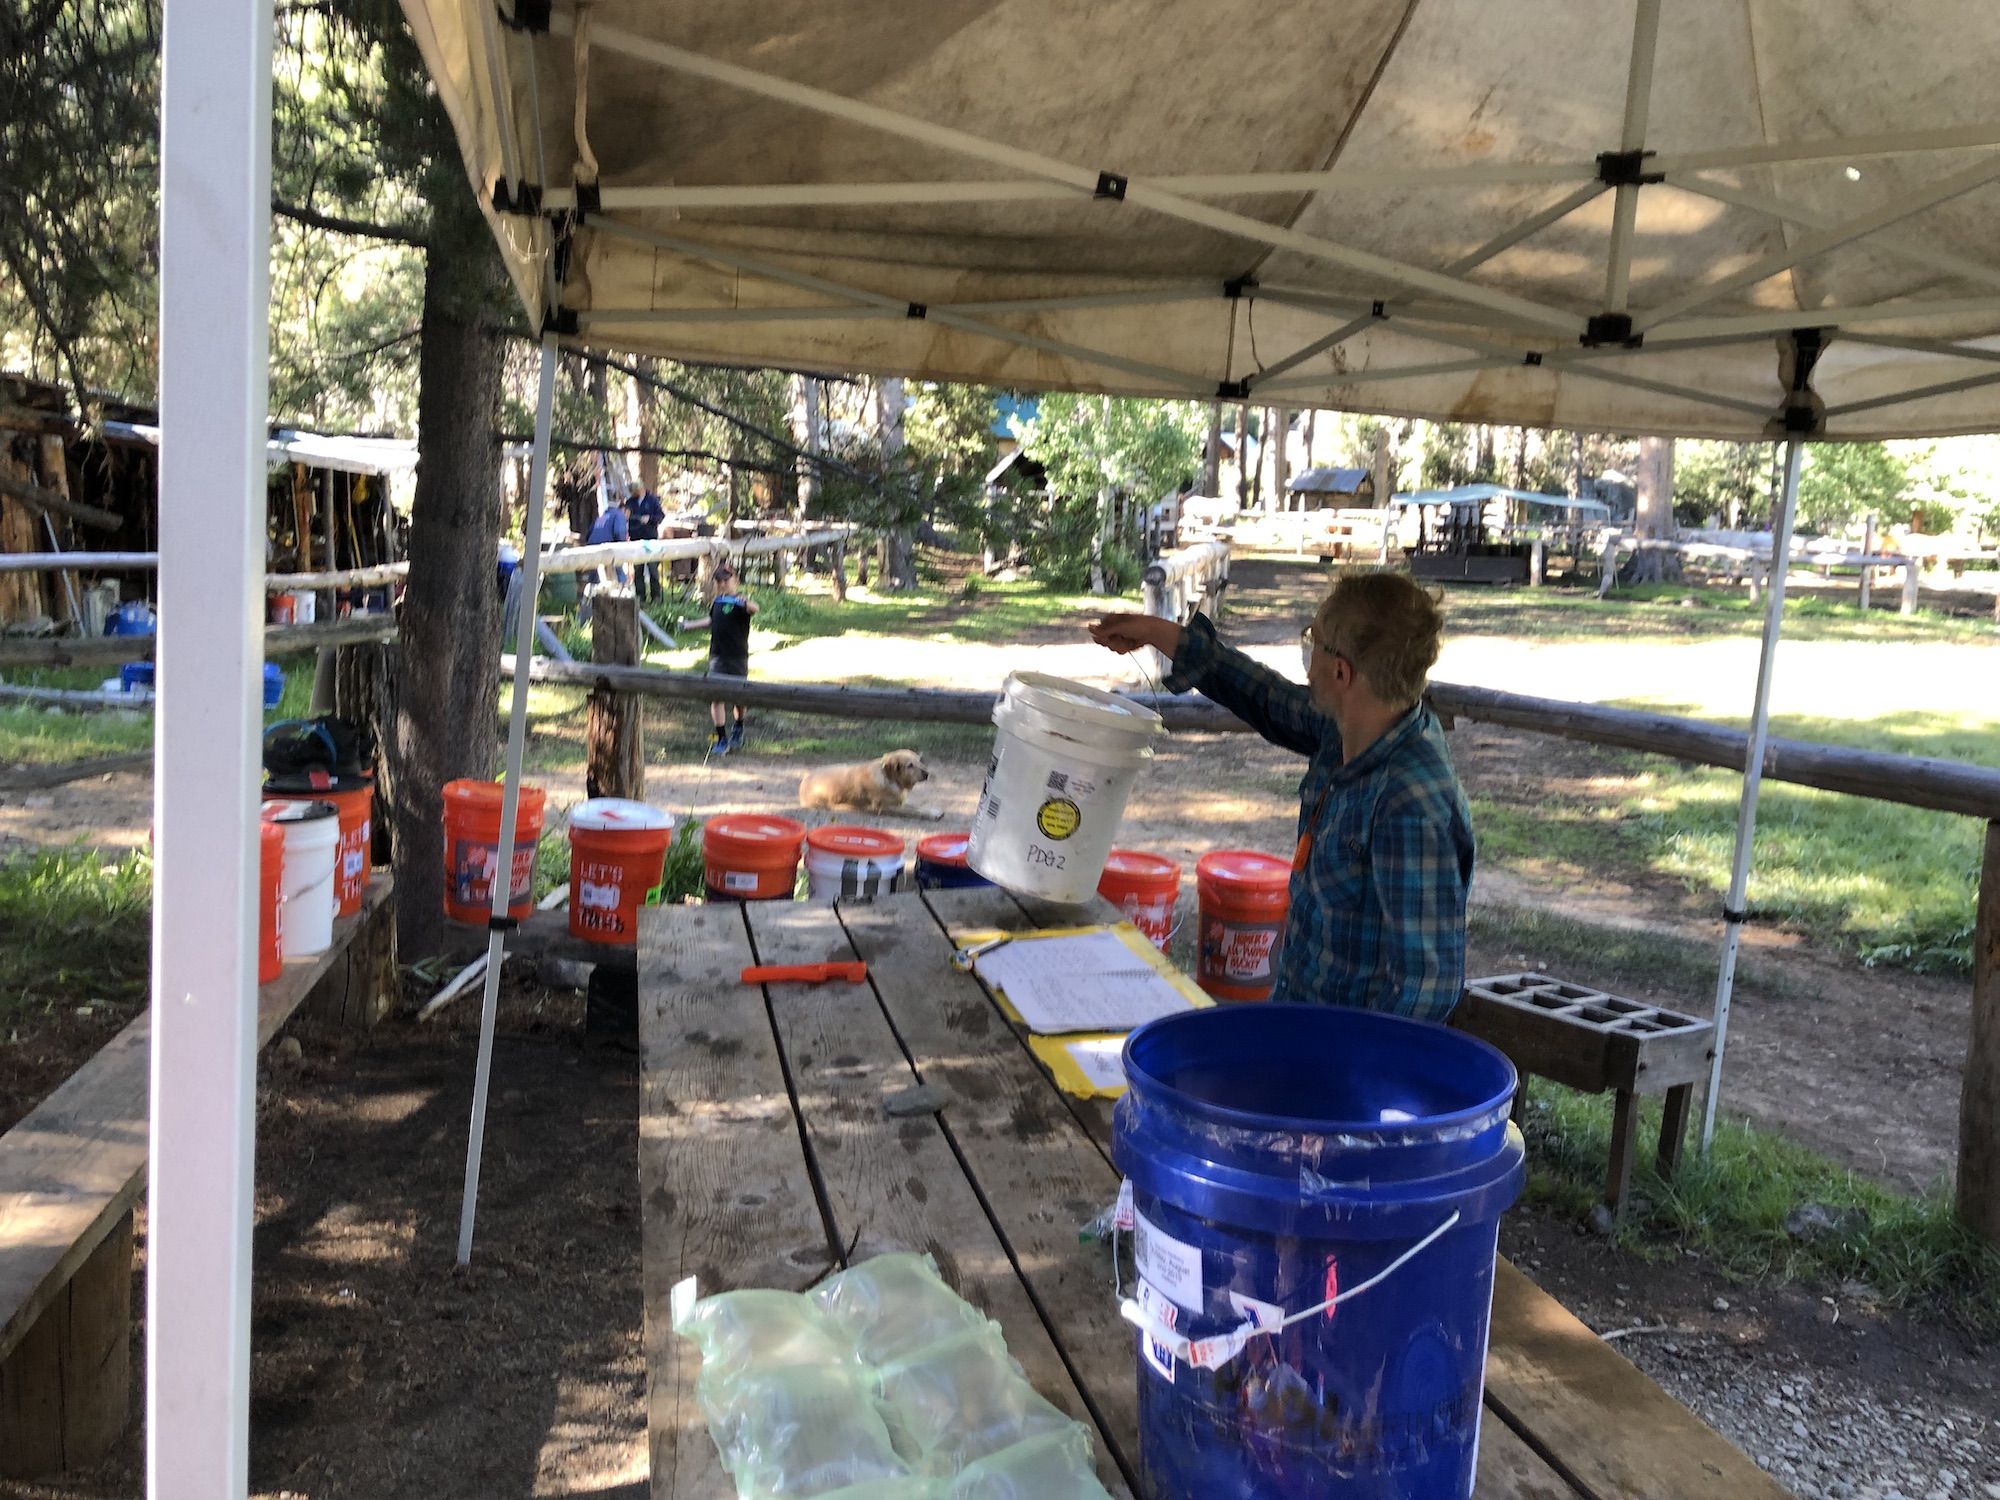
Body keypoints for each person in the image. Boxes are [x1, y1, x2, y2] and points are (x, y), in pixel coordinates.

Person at [1088, 571, 1473, 1020]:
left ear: (1340, 671)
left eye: (1314, 645)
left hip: (1346, 1061)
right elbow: (1266, 696)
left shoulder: (1410, 801)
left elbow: (1426, 987)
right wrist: (1160, 633)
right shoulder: (1356, 728)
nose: (1307, 664)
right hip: (1300, 1024)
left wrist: (1351, 1076)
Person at [706, 560, 757, 755]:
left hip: (737, 657)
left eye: (726, 580)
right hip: (717, 656)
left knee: (738, 697)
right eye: (719, 581)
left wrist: (745, 603)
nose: (722, 584)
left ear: (735, 579)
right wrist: (688, 625)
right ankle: (721, 738)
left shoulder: (740, 601)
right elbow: (711, 621)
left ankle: (739, 725)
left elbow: (754, 608)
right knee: (716, 698)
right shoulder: (717, 602)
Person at [626, 480, 666, 602]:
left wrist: (650, 519)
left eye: (634, 491)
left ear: (640, 489)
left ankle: (656, 597)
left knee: (653, 569)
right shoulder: (630, 502)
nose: (632, 493)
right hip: (636, 539)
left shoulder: (652, 500)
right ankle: (640, 597)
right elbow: (626, 516)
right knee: (638, 571)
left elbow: (661, 516)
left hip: (651, 540)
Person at [583, 491, 630, 588]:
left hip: (592, 543)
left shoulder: (603, 515)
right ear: (624, 510)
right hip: (605, 544)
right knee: (618, 561)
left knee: (594, 569)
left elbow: (589, 532)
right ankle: (623, 586)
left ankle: (591, 591)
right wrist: (622, 544)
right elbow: (619, 531)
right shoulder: (619, 515)